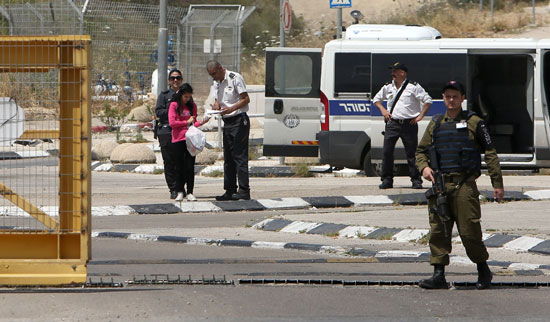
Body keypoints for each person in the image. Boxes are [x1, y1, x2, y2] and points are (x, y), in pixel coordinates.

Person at [415, 80, 505, 290]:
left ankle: (483, 270)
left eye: (455, 96)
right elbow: (421, 151)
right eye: (447, 96)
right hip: (440, 184)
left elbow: (490, 153)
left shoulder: (475, 122)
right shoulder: (436, 123)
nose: (451, 100)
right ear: (443, 98)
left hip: (465, 185)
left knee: (469, 231)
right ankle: (438, 274)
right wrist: (424, 169)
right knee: (439, 230)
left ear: (463, 98)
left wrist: (497, 183)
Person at [373, 62, 432, 189]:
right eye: (392, 71)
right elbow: (376, 100)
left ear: (402, 73)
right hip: (393, 123)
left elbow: (428, 100)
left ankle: (416, 180)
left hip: (409, 124)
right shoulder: (388, 86)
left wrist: (420, 116)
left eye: (395, 71)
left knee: (412, 154)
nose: (392, 73)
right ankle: (387, 180)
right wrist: (383, 111)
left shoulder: (413, 87)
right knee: (387, 152)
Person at [206, 60, 251, 201]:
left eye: (214, 73)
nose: (214, 77)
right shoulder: (216, 82)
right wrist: (216, 106)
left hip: (239, 119)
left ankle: (244, 190)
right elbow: (218, 100)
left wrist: (231, 108)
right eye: (211, 75)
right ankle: (230, 190)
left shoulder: (234, 77)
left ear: (220, 68)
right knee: (228, 158)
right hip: (227, 121)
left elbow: (246, 99)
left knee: (240, 157)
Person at [168, 83, 209, 202]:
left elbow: (193, 124)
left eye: (189, 97)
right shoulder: (174, 105)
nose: (187, 99)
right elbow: (172, 123)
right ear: (181, 95)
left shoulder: (192, 106)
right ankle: (180, 191)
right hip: (178, 139)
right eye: (185, 96)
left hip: (190, 139)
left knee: (190, 166)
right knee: (179, 167)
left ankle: (190, 191)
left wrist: (201, 122)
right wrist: (186, 122)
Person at [155, 69, 183, 199]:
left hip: (182, 131)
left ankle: (181, 188)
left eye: (178, 78)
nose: (175, 81)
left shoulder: (185, 95)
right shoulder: (164, 95)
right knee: (169, 161)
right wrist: (172, 112)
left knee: (182, 162)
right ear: (169, 81)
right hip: (167, 131)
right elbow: (158, 112)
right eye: (172, 78)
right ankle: (173, 188)